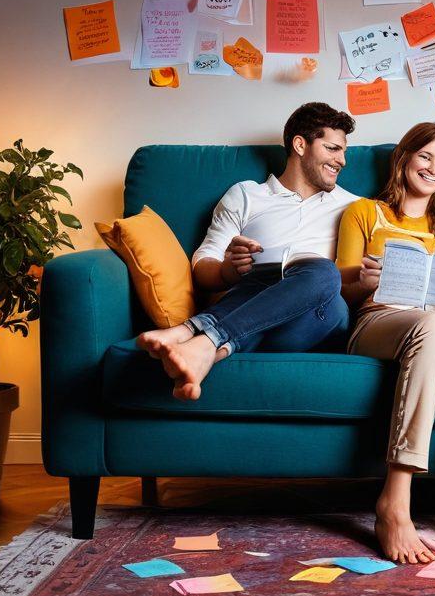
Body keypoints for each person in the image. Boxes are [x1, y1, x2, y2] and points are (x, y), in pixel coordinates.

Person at [137, 103, 357, 401]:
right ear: (300, 144)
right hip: (253, 304)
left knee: (322, 273)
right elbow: (203, 267)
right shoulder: (246, 195)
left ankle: (197, 331)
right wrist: (229, 269)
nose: (341, 160)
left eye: (343, 151)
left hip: (317, 319)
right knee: (267, 274)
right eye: (332, 148)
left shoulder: (353, 207)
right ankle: (207, 351)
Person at [336, 122, 435, 564]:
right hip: (381, 320)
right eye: (425, 157)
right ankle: (395, 503)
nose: (434, 169)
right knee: (432, 330)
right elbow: (340, 292)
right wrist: (361, 281)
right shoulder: (362, 212)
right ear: (404, 158)